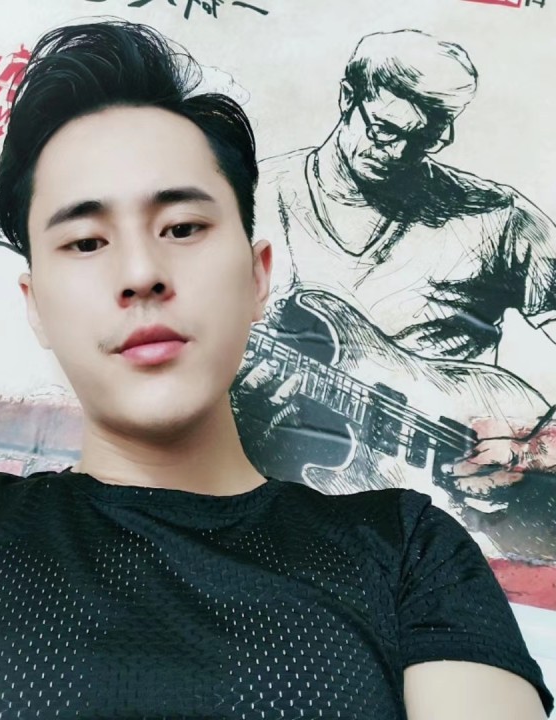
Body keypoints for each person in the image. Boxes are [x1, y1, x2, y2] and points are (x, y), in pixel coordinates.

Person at [0, 20, 552, 720]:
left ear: (257, 276)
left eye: (182, 227)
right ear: (36, 307)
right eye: (85, 242)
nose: (141, 272)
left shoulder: (411, 548)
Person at [234, 30, 556, 554]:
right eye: (385, 129)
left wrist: (537, 448)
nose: (400, 152)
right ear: (347, 97)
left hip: (457, 530)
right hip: (286, 526)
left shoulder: (496, 218)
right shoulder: (246, 200)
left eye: (425, 139)